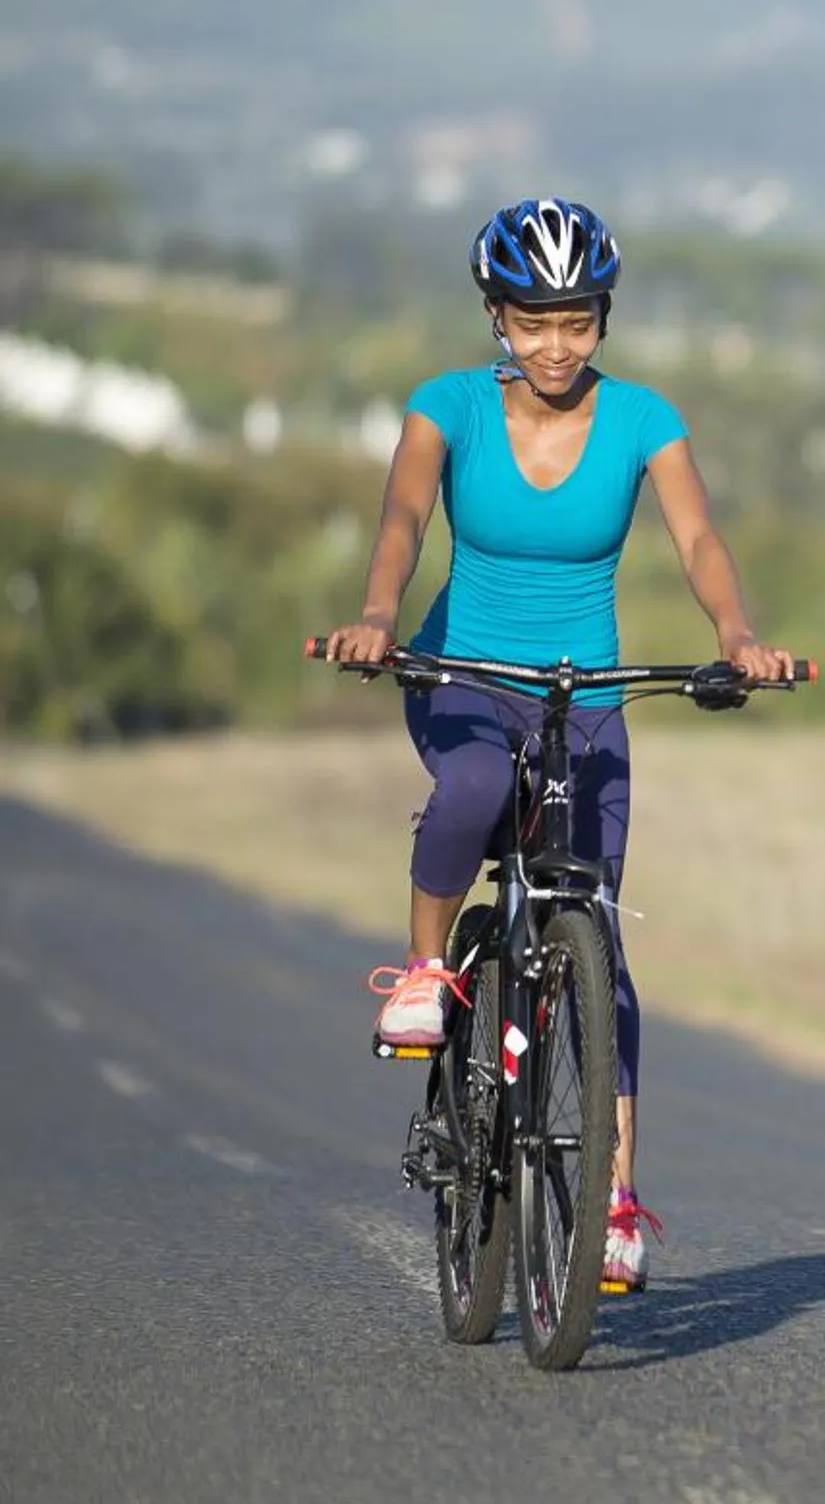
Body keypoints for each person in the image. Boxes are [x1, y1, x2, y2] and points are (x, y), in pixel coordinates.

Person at [320, 197, 794, 1293]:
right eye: (531, 320)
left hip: (585, 692)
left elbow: (699, 535)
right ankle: (432, 968)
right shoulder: (445, 408)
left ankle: (615, 1196)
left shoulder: (643, 420)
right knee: (476, 782)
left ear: (604, 319)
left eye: (576, 320)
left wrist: (738, 636)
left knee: (599, 939)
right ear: (494, 315)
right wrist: (381, 617)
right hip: (463, 674)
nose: (554, 344)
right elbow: (402, 516)